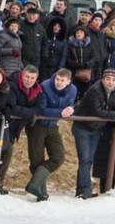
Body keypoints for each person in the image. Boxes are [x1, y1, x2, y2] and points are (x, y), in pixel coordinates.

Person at [72, 69, 115, 198]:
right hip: (82, 127)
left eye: (113, 80)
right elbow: (98, 112)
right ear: (103, 80)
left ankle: (82, 190)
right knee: (85, 159)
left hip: (96, 129)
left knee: (89, 160)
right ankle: (85, 190)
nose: (111, 82)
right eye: (108, 79)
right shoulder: (94, 90)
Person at [0, 65, 43, 194]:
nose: (29, 80)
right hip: (4, 124)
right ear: (22, 75)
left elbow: (39, 109)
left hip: (16, 127)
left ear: (36, 79)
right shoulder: (12, 86)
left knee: (5, 153)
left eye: (32, 78)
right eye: (27, 76)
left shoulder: (37, 90)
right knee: (5, 152)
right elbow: (13, 107)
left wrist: (28, 112)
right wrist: (31, 113)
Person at [25, 68, 77, 201]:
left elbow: (70, 103)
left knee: (58, 156)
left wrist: (71, 108)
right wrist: (61, 112)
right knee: (36, 159)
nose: (58, 82)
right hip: (37, 125)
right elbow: (42, 109)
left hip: (53, 126)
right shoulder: (45, 86)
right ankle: (40, 193)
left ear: (68, 82)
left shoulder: (73, 90)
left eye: (62, 81)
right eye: (57, 79)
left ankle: (34, 184)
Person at [67, 26, 98, 91]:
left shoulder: (90, 46)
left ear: (84, 34)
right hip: (74, 72)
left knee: (86, 91)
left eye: (81, 32)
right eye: (77, 33)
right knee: (74, 89)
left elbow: (94, 58)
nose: (79, 34)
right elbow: (67, 59)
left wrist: (87, 64)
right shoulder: (70, 46)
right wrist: (76, 64)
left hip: (87, 73)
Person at [39, 17, 68, 81]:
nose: (56, 28)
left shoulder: (63, 41)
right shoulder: (46, 37)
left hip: (55, 68)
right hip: (44, 67)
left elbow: (63, 56)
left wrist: (59, 69)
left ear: (61, 28)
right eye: (55, 25)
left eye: (58, 26)